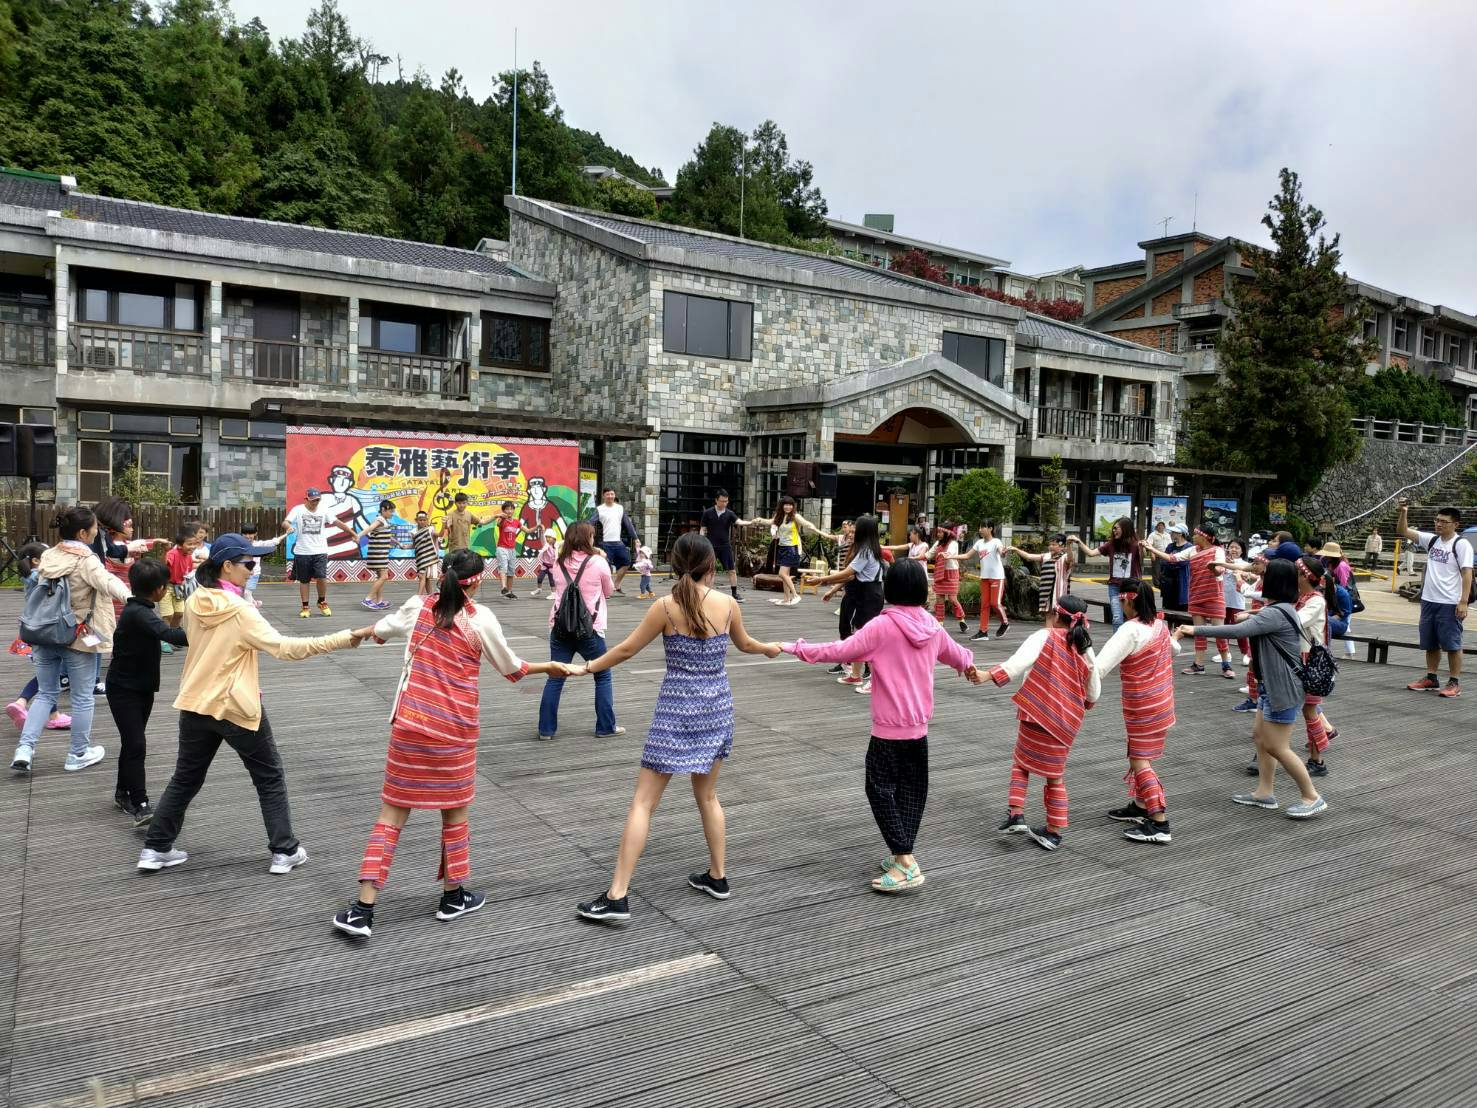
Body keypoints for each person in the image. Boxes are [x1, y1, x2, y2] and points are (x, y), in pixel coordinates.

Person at [331, 550, 571, 939]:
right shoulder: (480, 619)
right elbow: (513, 669)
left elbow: (380, 630)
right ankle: (452, 895)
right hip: (455, 732)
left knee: (390, 817)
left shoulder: (418, 606)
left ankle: (362, 910)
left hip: (410, 726)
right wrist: (553, 666)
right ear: (476, 581)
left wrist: (358, 635)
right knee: (454, 816)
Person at [571, 534, 781, 923]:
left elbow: (626, 650)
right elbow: (747, 644)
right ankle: (718, 876)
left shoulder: (666, 607)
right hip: (717, 708)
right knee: (709, 797)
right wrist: (770, 647)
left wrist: (588, 667)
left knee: (643, 803)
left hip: (676, 711)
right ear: (710, 565)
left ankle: (618, 895)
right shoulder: (728, 604)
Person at [137, 533, 363, 873]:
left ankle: (155, 848)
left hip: (196, 702)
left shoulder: (197, 599)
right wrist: (347, 637)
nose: (254, 568)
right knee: (268, 776)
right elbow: (287, 649)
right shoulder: (240, 611)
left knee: (185, 778)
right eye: (249, 563)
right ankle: (284, 850)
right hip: (235, 706)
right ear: (227, 566)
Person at [782, 558, 981, 892]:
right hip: (919, 729)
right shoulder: (932, 625)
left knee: (879, 789)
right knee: (912, 792)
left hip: (888, 730)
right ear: (921, 588)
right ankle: (900, 852)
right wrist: (971, 667)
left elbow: (838, 650)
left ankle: (906, 861)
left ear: (890, 588)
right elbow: (958, 654)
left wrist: (794, 647)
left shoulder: (881, 627)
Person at [1178, 559, 1328, 819]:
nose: (1262, 578)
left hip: (1283, 689)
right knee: (1261, 738)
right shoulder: (1282, 608)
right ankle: (1264, 792)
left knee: (1277, 746)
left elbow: (1237, 631)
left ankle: (1311, 796)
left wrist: (1194, 628)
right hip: (1271, 686)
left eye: (1266, 575)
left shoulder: (1275, 612)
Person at [10, 506, 133, 776]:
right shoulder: (86, 560)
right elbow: (108, 582)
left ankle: (25, 749)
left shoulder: (49, 555)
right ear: (82, 532)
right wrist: (133, 600)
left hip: (43, 633)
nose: (96, 533)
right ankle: (78, 753)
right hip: (77, 635)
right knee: (82, 698)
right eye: (93, 530)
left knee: (45, 693)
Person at [987, 594, 1100, 852]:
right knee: (1055, 777)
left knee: (1021, 762)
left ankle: (1016, 813)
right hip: (1065, 722)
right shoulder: (1084, 645)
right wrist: (1088, 703)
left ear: (1055, 615)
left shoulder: (1044, 636)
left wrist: (988, 675)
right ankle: (1053, 831)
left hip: (1036, 712)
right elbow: (1094, 687)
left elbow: (1017, 664)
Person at [1092, 581, 1179, 843]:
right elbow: (1175, 649)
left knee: (1141, 760)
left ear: (1129, 602)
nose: (1120, 606)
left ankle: (1159, 821)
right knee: (1137, 753)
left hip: (1141, 704)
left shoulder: (1130, 630)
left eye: (1121, 602)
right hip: (1162, 702)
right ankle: (1141, 806)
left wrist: (1082, 693)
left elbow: (1099, 667)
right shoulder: (1161, 625)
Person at [107, 558, 189, 826]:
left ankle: (122, 793)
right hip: (123, 689)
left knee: (132, 742)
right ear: (160, 589)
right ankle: (140, 804)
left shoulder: (141, 608)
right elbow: (172, 636)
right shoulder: (139, 614)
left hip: (140, 687)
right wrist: (206, 628)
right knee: (136, 743)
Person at [537, 521, 621, 742]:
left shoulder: (558, 562)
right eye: (592, 536)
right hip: (589, 629)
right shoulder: (598, 562)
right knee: (602, 675)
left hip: (560, 627)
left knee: (555, 676)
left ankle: (546, 730)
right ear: (587, 539)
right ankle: (605, 727)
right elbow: (609, 591)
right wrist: (601, 556)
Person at [1397, 500, 1472, 698]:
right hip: (1429, 600)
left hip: (1450, 602)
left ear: (1455, 524)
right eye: (1437, 520)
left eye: (1444, 522)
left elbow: (1467, 574)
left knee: (1452, 644)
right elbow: (1403, 531)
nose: (1439, 524)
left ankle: (1454, 682)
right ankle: (1431, 677)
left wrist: (1463, 601)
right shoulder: (1432, 540)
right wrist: (1404, 512)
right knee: (1429, 642)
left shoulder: (1461, 544)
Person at [805, 514, 889, 691]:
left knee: (867, 638)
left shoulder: (866, 550)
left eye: (856, 528)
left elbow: (847, 572)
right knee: (860, 635)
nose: (852, 530)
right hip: (866, 593)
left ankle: (875, 681)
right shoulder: (867, 548)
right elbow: (851, 575)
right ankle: (856, 675)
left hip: (869, 595)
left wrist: (822, 580)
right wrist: (831, 587)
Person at [6, 541, 73, 739]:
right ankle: (22, 701)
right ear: (37, 561)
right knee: (49, 674)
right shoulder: (41, 576)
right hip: (47, 630)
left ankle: (52, 714)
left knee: (47, 673)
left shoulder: (29, 577)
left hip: (30, 630)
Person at [1144, 523, 1227, 677]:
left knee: (1220, 633)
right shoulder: (1192, 550)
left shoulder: (1218, 551)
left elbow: (1220, 570)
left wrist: (1215, 569)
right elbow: (1172, 558)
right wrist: (1151, 549)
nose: (1193, 536)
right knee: (1199, 632)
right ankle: (1199, 665)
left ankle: (1226, 665)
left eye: (1196, 534)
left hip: (1214, 597)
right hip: (1196, 596)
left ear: (1204, 537)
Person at [284, 487, 356, 618]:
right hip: (302, 551)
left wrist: (352, 533)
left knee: (321, 577)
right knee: (304, 580)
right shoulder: (298, 510)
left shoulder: (324, 510)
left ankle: (322, 601)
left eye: (317, 500)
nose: (315, 503)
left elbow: (338, 522)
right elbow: (286, 522)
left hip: (320, 550)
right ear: (306, 499)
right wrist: (288, 527)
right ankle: (305, 606)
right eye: (312, 500)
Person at [1069, 517, 1141, 630]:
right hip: (1114, 587)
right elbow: (1091, 553)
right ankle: (1118, 644)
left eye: (1117, 528)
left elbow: (1146, 555)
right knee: (1117, 618)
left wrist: (1146, 547)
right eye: (1113, 528)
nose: (1114, 531)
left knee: (1132, 618)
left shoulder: (1136, 545)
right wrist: (1078, 541)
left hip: (1132, 587)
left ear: (1126, 529)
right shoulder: (1111, 544)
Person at [768, 496, 821, 606]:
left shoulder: (795, 516)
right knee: (785, 575)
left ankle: (796, 595)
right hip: (782, 547)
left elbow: (805, 523)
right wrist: (773, 533)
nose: (788, 507)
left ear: (793, 506)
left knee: (782, 574)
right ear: (782, 506)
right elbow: (773, 526)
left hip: (792, 548)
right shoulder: (779, 516)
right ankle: (786, 599)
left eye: (790, 505)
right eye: (786, 504)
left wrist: (812, 527)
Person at [1007, 533, 1074, 616]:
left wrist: (1069, 546)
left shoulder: (1064, 557)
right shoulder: (1046, 556)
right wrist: (1016, 549)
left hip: (1058, 591)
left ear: (1062, 546)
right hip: (1046, 591)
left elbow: (1070, 558)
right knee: (1048, 614)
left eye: (1054, 544)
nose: (1051, 547)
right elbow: (1029, 556)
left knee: (1058, 615)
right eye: (1050, 544)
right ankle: (1049, 629)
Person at [963, 520, 1010, 641]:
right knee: (984, 605)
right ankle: (983, 632)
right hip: (984, 578)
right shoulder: (979, 543)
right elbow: (967, 556)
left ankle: (1005, 622)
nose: (980, 529)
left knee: (995, 603)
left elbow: (1001, 551)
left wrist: (1003, 552)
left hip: (997, 577)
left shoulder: (996, 541)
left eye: (983, 527)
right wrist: (950, 556)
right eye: (979, 527)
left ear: (990, 528)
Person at [592, 488, 639, 594]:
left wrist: (635, 538)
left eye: (612, 494)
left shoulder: (620, 508)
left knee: (627, 562)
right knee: (605, 568)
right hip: (604, 543)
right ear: (604, 496)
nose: (610, 496)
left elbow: (628, 524)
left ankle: (616, 584)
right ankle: (606, 590)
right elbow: (590, 523)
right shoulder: (599, 509)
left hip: (618, 543)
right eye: (607, 494)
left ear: (614, 495)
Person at [926, 522, 967, 634]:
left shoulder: (953, 543)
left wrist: (944, 554)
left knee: (953, 599)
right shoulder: (938, 543)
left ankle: (961, 619)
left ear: (947, 533)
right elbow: (928, 555)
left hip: (951, 573)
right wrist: (915, 558)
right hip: (940, 572)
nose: (938, 534)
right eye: (938, 532)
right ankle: (940, 622)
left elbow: (950, 553)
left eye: (940, 532)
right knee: (939, 599)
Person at [162, 523, 203, 634]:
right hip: (167, 587)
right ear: (180, 546)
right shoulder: (173, 553)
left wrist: (203, 564)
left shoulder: (189, 556)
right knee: (168, 614)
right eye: (189, 544)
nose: (193, 546)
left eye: (194, 544)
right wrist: (165, 551)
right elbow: (165, 563)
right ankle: (164, 639)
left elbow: (187, 568)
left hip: (179, 587)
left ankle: (173, 633)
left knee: (180, 613)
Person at [360, 499, 398, 610]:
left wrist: (398, 543)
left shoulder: (384, 521)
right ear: (383, 510)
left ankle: (379, 601)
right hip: (378, 554)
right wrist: (359, 536)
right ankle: (368, 599)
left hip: (380, 554)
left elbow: (387, 535)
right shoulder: (380, 519)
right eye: (390, 511)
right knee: (384, 576)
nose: (392, 513)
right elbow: (369, 528)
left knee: (380, 577)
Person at [238, 522, 286, 607]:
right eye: (245, 534)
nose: (248, 536)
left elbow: (273, 542)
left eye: (250, 533)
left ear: (255, 533)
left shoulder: (258, 544)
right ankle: (255, 603)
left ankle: (252, 611)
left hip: (254, 573)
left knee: (247, 593)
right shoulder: (239, 546)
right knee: (242, 592)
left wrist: (287, 534)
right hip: (241, 573)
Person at [1155, 523, 1192, 610]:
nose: (1171, 534)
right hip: (1168, 582)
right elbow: (1163, 561)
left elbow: (1183, 562)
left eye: (1173, 532)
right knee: (1168, 608)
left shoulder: (1189, 547)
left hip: (1182, 582)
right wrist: (1172, 561)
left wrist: (1170, 560)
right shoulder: (1170, 546)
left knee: (1181, 608)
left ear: (1180, 534)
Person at [493, 500, 524, 600]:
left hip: (512, 549)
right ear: (503, 511)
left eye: (511, 509)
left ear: (514, 510)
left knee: (511, 572)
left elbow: (527, 530)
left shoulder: (516, 522)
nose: (509, 511)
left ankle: (509, 592)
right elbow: (498, 524)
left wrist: (537, 527)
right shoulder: (501, 520)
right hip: (502, 548)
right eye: (507, 509)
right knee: (503, 568)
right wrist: (502, 517)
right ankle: (503, 587)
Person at [410, 510, 440, 596]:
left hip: (428, 556)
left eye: (424, 520)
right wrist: (405, 547)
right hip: (420, 558)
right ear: (416, 520)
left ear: (427, 520)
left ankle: (418, 598)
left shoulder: (430, 529)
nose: (422, 521)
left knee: (422, 576)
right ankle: (430, 596)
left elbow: (440, 535)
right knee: (425, 578)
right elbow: (414, 545)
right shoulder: (413, 532)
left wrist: (444, 525)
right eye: (420, 520)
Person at [531, 533, 557, 598]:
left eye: (549, 537)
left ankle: (553, 593)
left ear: (554, 539)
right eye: (546, 537)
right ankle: (539, 589)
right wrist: (542, 531)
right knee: (540, 578)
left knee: (552, 580)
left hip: (552, 567)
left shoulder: (556, 547)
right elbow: (542, 538)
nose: (547, 539)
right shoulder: (546, 545)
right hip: (545, 565)